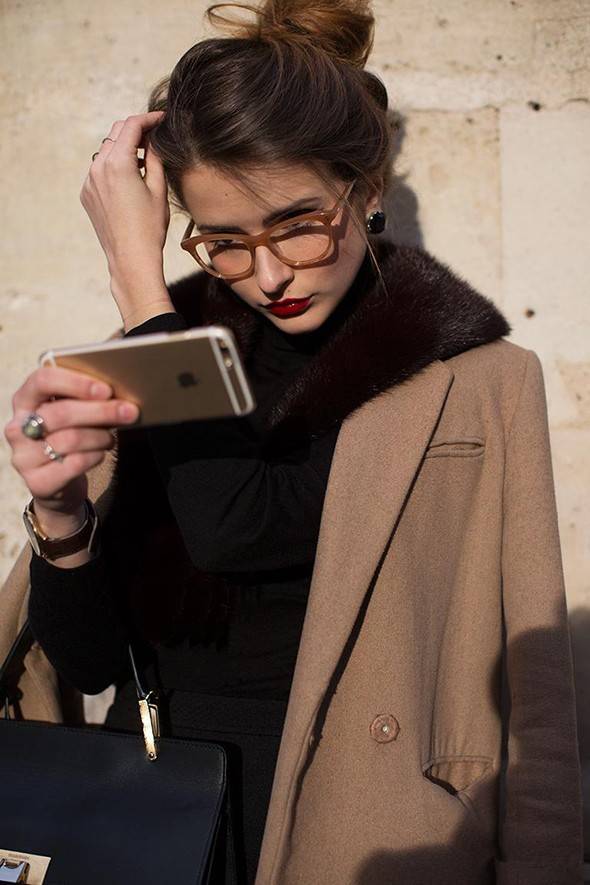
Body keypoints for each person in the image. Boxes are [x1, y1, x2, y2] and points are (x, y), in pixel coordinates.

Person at [1, 1, 583, 883]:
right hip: (149, 815)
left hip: (364, 829)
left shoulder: (471, 379)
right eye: (225, 242)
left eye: (299, 223)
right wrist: (61, 513)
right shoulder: (157, 360)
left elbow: (534, 690)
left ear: (367, 188)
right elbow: (88, 666)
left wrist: (137, 282)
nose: (270, 274)